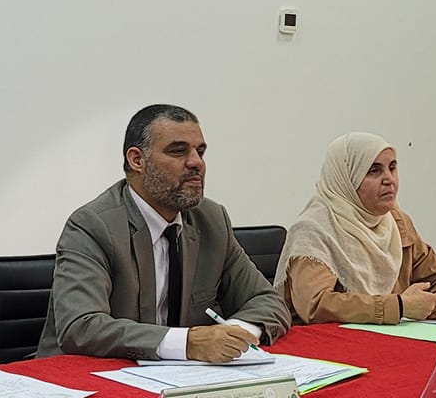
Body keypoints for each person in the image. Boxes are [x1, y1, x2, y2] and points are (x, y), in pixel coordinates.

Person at [36, 104, 290, 360]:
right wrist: (187, 344)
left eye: (200, 152)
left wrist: (235, 335)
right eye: (178, 151)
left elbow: (267, 301)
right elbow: (81, 327)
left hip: (182, 376)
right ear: (137, 160)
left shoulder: (211, 220)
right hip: (85, 376)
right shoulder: (92, 226)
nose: (196, 162)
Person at [275, 132, 436, 325]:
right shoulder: (312, 230)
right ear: (347, 179)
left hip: (389, 338)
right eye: (374, 171)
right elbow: (315, 306)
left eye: (392, 168)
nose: (389, 179)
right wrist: (399, 306)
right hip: (326, 344)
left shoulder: (396, 223)